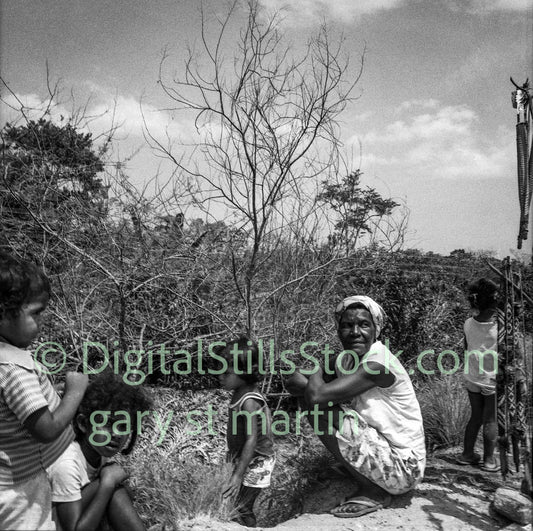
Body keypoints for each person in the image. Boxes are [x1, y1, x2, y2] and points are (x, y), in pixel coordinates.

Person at [285, 295, 426, 518]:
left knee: (318, 407)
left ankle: (374, 491)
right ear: (338, 330)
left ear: (376, 329)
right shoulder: (348, 359)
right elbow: (292, 380)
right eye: (347, 326)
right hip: (387, 454)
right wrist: (317, 379)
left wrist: (317, 375)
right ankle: (365, 472)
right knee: (315, 401)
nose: (355, 332)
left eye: (364, 325)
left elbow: (316, 395)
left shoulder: (377, 364)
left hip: (404, 469)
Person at [0, 253, 88, 530]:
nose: (42, 321)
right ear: (3, 313)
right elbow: (46, 429)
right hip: (22, 490)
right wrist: (75, 392)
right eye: (36, 312)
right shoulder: (13, 367)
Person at [47, 371, 151, 531]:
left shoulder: (98, 456)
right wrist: (108, 483)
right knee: (113, 490)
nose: (116, 434)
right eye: (108, 424)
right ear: (83, 423)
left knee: (120, 492)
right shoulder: (67, 464)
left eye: (123, 426)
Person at [217, 337, 276, 527]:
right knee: (236, 505)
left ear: (243, 371)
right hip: (246, 458)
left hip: (257, 459)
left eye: (226, 372)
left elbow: (252, 439)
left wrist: (238, 474)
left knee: (243, 506)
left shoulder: (249, 400)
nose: (220, 376)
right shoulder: (240, 393)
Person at [457, 278, 499, 472]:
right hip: (491, 379)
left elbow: (467, 348)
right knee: (490, 419)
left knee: (476, 416)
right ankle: (489, 461)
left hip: (472, 376)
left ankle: (467, 454)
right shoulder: (499, 328)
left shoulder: (468, 323)